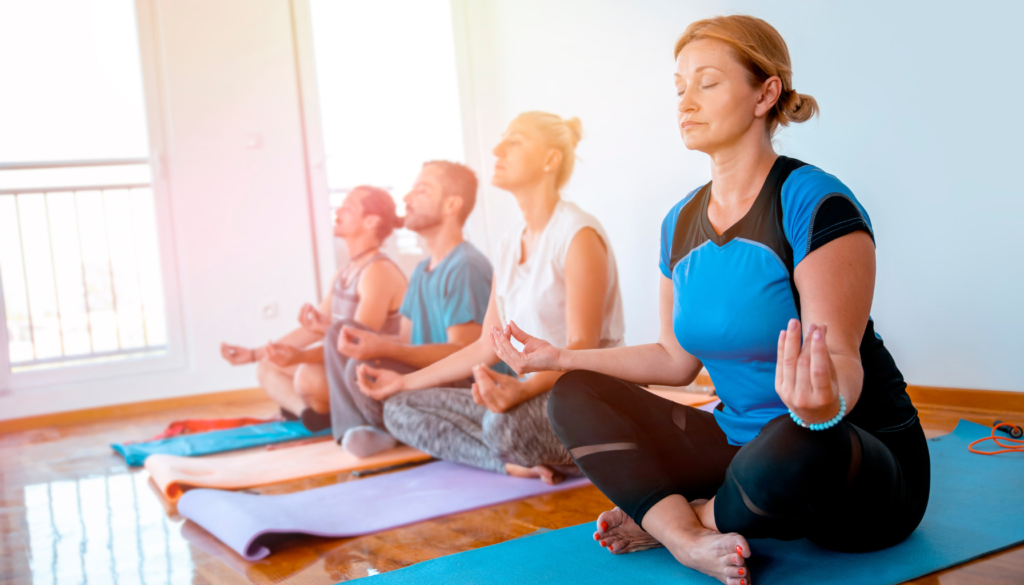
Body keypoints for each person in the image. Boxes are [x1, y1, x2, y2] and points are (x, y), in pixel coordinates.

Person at [488, 16, 929, 585]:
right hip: (740, 451)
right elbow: (675, 359)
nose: (685, 102)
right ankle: (687, 535)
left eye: (708, 83)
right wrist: (559, 358)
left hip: (851, 464)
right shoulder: (680, 223)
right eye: (679, 87)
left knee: (795, 438)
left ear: (765, 94)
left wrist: (819, 408)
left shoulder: (817, 204)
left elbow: (842, 360)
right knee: (575, 392)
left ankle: (685, 516)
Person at [356, 112, 625, 484]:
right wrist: (403, 382)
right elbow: (487, 345)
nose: (497, 149)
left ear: (550, 160)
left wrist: (523, 391)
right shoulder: (508, 240)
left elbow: (582, 347)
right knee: (398, 407)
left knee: (504, 426)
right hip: (524, 396)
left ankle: (513, 447)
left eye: (514, 142)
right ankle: (509, 463)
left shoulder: (577, 234)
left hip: (583, 398)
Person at [325, 161, 497, 456]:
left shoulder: (465, 265)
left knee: (362, 366)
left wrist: (385, 350)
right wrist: (374, 345)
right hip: (427, 375)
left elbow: (467, 354)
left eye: (422, 190)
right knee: (340, 333)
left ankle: (382, 427)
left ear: (451, 205)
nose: (407, 199)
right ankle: (362, 427)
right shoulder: (420, 270)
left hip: (466, 387)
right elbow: (405, 342)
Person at [220, 186, 407, 430]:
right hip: (344, 365)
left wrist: (302, 356)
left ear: (371, 221)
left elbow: (359, 346)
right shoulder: (345, 273)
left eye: (348, 207)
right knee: (268, 366)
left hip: (368, 372)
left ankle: (328, 410)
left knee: (308, 376)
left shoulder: (378, 272)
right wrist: (255, 354)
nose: (338, 210)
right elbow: (313, 328)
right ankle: (311, 415)